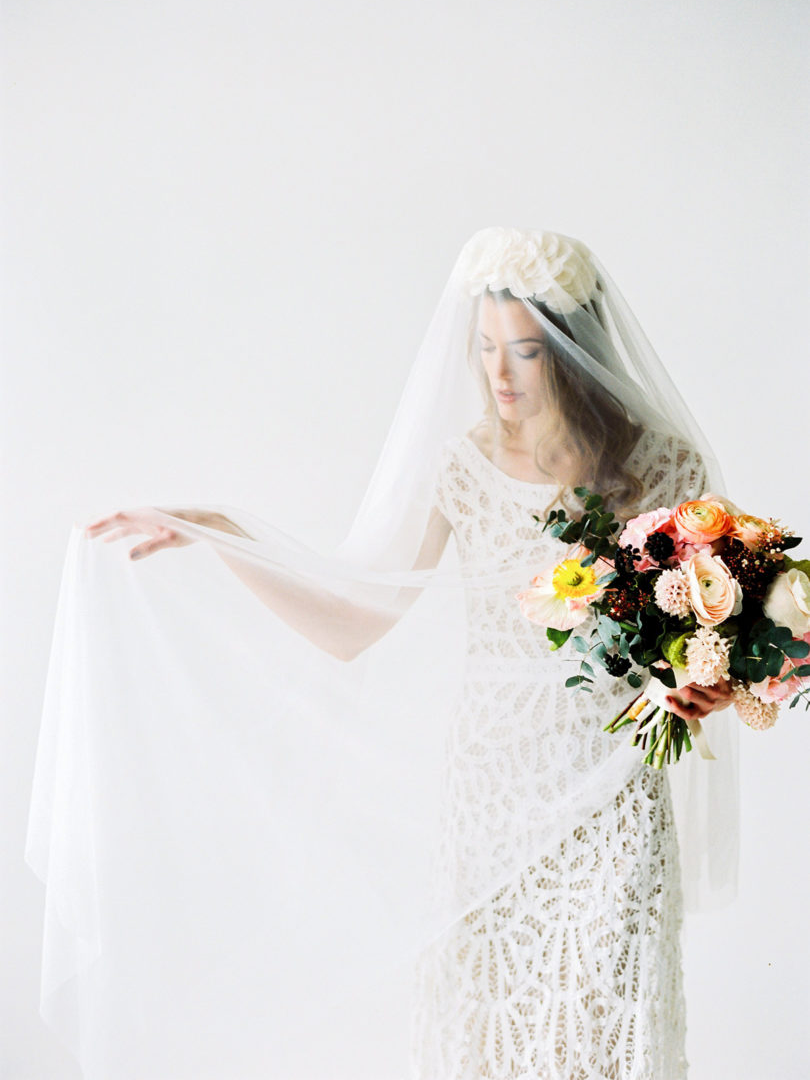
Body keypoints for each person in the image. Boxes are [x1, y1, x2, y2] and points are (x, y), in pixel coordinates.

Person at [27, 227, 740, 1079]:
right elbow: (351, 621)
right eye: (484, 350)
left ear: (573, 351)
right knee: (496, 1035)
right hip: (493, 793)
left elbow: (711, 634)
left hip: (615, 792)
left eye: (525, 352)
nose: (499, 377)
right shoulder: (464, 467)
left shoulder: (663, 466)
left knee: (605, 1029)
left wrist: (709, 685)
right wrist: (219, 531)